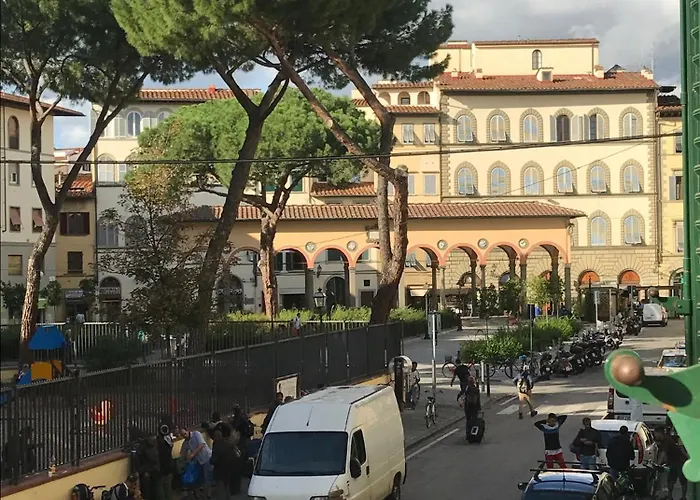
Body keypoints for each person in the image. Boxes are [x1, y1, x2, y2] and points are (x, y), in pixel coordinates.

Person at [653, 429, 689, 500]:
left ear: (659, 433)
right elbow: (662, 453)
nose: (655, 435)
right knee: (671, 479)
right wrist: (660, 463)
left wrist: (658, 464)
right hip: (672, 462)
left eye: (655, 434)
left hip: (680, 461)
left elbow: (663, 453)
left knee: (682, 480)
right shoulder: (663, 441)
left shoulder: (666, 440)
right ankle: (670, 496)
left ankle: (683, 497)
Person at [178, 427, 213, 497]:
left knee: (207, 477)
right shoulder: (186, 443)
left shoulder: (196, 434)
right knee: (199, 479)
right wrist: (184, 460)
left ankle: (208, 494)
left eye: (185, 434)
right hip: (198, 461)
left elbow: (201, 445)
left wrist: (193, 454)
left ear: (187, 431)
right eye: (182, 435)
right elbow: (182, 453)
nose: (184, 436)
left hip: (206, 457)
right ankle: (199, 495)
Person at [210, 424, 237, 500]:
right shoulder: (228, 443)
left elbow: (213, 460)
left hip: (219, 470)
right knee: (227, 486)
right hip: (228, 469)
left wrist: (211, 461)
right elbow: (234, 455)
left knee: (220, 489)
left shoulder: (217, 445)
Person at [135, 434, 160, 500]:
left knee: (155, 491)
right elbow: (138, 462)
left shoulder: (156, 445)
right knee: (146, 493)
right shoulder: (142, 448)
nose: (153, 442)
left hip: (154, 471)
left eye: (154, 441)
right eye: (152, 441)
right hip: (146, 473)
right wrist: (143, 472)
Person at [155, 425, 174, 500]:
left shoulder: (158, 441)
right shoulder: (169, 440)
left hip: (161, 467)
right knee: (168, 487)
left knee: (160, 487)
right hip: (169, 466)